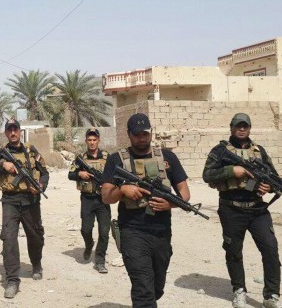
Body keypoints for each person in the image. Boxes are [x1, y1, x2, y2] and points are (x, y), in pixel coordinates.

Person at [101, 113, 190, 308]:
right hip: (132, 231)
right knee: (143, 288)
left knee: (156, 288)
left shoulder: (168, 158)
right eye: (137, 135)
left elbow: (184, 193)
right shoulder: (116, 160)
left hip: (161, 233)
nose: (142, 138)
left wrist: (170, 204)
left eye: (145, 134)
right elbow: (106, 197)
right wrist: (122, 189)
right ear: (129, 135)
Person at [202, 113, 282, 308]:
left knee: (270, 249)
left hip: (258, 210)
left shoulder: (259, 152)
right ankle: (239, 290)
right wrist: (232, 171)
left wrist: (269, 188)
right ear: (231, 127)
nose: (241, 129)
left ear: (249, 128)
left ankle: (271, 296)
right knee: (233, 251)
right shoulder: (220, 151)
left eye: (245, 126)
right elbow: (207, 175)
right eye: (238, 126)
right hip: (231, 209)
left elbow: (275, 179)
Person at [0, 118, 49, 299]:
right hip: (10, 201)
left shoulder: (31, 151)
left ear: (20, 131)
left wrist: (41, 186)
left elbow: (44, 173)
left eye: (15, 129)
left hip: (31, 201)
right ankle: (12, 280)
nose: (13, 133)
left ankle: (36, 264)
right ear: (6, 133)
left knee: (35, 236)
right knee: (9, 239)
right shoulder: (1, 153)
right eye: (9, 130)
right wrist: (2, 165)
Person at [68, 127, 111, 273]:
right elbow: (70, 174)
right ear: (86, 141)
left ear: (98, 140)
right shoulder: (81, 158)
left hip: (103, 199)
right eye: (89, 140)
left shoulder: (107, 157)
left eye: (94, 140)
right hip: (87, 199)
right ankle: (89, 245)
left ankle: (100, 260)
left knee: (104, 231)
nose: (92, 143)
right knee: (86, 229)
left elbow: (115, 174)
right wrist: (80, 173)